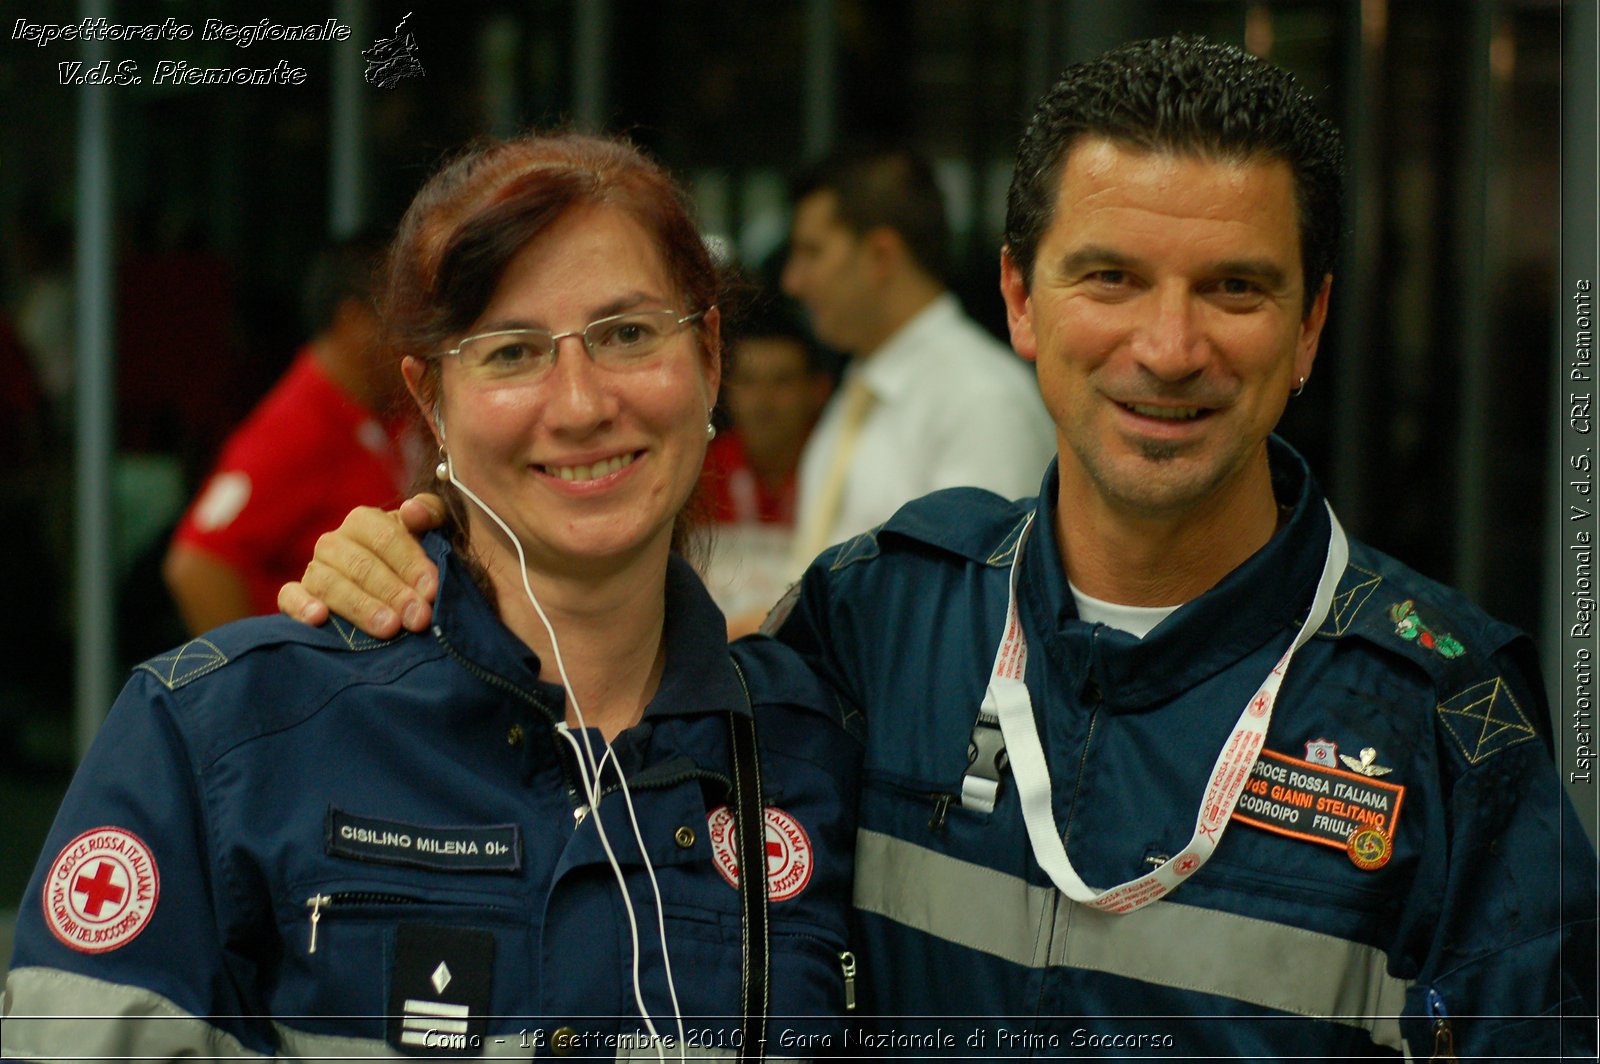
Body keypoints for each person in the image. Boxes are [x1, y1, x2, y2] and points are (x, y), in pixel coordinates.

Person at [280, 37, 1595, 1059]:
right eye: (1111, 277)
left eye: (1235, 290)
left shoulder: (1444, 716)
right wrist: (444, 542)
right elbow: (621, 696)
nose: (1170, 347)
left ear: (1309, 328)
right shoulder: (882, 617)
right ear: (1020, 299)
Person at [2, 133, 859, 1060]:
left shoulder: (826, 750)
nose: (579, 404)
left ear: (711, 359)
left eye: (627, 334)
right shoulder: (215, 740)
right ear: (431, 398)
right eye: (509, 351)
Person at [780, 149, 1055, 568]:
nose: (793, 281)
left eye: (812, 252)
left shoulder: (982, 398)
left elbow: (975, 604)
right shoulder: (864, 383)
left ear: (881, 255)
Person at [162, 237, 416, 633]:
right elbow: (195, 566)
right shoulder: (293, 428)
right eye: (405, 319)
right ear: (354, 321)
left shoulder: (385, 409)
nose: (417, 339)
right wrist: (262, 684)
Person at [698, 295, 831, 627]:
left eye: (782, 381)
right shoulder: (698, 473)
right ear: (724, 389)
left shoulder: (841, 470)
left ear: (818, 391)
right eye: (749, 381)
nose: (764, 401)